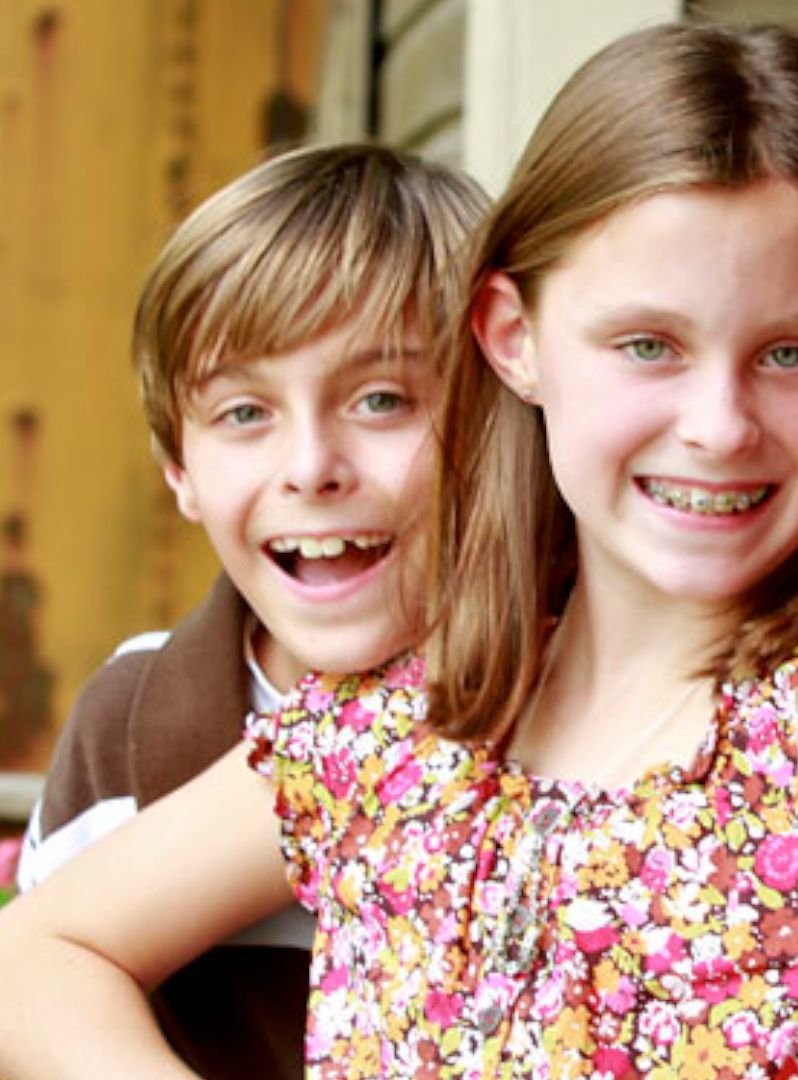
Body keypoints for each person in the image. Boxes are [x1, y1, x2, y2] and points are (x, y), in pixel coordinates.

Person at [0, 24, 798, 1079]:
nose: (719, 424)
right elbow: (38, 959)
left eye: (789, 353)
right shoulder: (400, 727)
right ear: (513, 335)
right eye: (648, 346)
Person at [12, 143, 485, 1078]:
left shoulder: (583, 699)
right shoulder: (132, 725)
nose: (311, 466)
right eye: (244, 413)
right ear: (178, 469)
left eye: (382, 399)